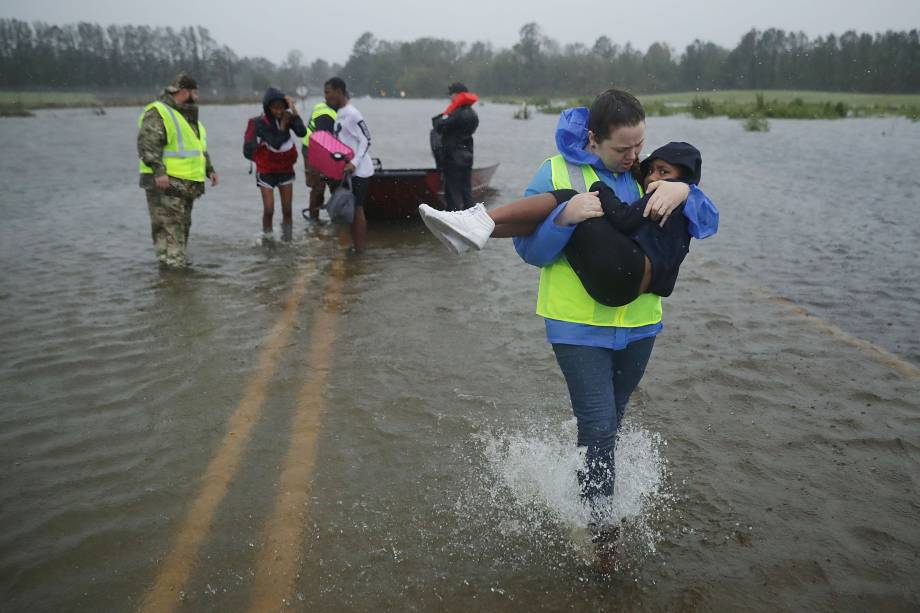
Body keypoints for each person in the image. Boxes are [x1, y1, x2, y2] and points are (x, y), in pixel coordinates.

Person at [443, 89, 719, 545]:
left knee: (612, 421)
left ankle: (590, 491)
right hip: (577, 327)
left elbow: (707, 224)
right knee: (598, 424)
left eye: (639, 145)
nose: (634, 156)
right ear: (593, 138)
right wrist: (563, 218)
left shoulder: (649, 174)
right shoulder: (555, 171)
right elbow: (530, 252)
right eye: (621, 149)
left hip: (639, 325)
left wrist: (685, 189)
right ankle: (600, 531)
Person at [419, 141, 709, 307]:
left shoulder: (667, 196)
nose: (654, 178)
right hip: (617, 296)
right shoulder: (667, 203)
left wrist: (684, 190)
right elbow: (533, 252)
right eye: (653, 171)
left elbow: (624, 220)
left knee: (570, 198)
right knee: (569, 206)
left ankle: (477, 224)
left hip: (626, 284)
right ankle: (469, 231)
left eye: (665, 172)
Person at [137, 74, 218, 268]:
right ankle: (175, 273)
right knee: (171, 227)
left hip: (185, 183)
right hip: (165, 182)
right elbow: (147, 144)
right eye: (195, 92)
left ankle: (171, 274)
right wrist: (159, 171)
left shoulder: (188, 118)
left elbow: (199, 148)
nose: (197, 97)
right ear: (184, 92)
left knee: (180, 227)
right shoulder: (159, 112)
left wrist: (210, 169)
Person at [244, 87, 307, 241]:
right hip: (266, 171)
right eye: (275, 108)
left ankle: (288, 240)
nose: (279, 112)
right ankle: (268, 240)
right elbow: (276, 143)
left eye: (281, 108)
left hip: (285, 170)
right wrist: (284, 126)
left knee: (287, 210)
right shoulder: (259, 123)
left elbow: (302, 132)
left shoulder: (288, 116)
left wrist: (294, 110)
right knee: (269, 209)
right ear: (268, 107)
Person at [325, 77, 373, 253]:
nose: (326, 97)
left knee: (358, 210)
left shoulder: (353, 113)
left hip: (360, 171)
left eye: (328, 92)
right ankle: (352, 247)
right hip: (346, 171)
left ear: (339, 91)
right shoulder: (340, 113)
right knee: (348, 210)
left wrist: (354, 162)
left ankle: (360, 251)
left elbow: (366, 139)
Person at [432, 82, 479, 211]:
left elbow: (438, 126)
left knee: (452, 192)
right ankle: (470, 216)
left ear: (458, 95)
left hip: (453, 158)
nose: (450, 98)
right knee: (466, 190)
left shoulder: (456, 114)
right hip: (467, 156)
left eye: (451, 95)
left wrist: (439, 118)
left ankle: (454, 217)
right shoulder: (473, 114)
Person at [300, 95, 337, 223]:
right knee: (319, 185)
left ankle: (335, 215)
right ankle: (314, 219)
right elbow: (325, 140)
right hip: (313, 149)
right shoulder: (325, 113)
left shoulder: (338, 109)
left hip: (323, 148)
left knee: (334, 183)